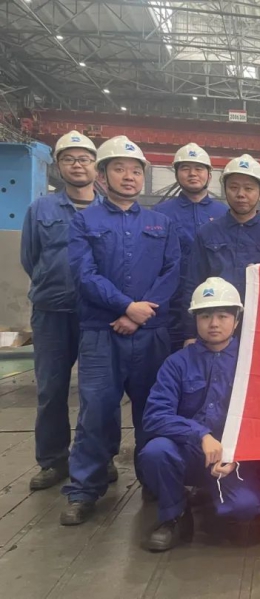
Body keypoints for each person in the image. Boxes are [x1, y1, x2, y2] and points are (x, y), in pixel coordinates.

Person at [62, 136, 180, 525]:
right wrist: (125, 306)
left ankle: (155, 479)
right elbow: (84, 274)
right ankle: (84, 489)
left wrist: (139, 314)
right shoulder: (85, 222)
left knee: (154, 410)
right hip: (101, 333)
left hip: (151, 334)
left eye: (135, 171)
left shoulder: (161, 223)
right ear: (102, 175)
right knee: (96, 411)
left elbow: (172, 273)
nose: (129, 177)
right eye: (119, 169)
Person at [140, 277, 260, 552]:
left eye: (223, 316)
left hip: (233, 459)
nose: (214, 324)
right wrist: (200, 435)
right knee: (155, 451)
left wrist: (236, 455)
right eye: (206, 316)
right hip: (189, 452)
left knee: (245, 507)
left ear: (237, 320)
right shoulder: (177, 363)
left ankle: (220, 492)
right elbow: (154, 415)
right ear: (195, 320)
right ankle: (174, 515)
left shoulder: (253, 362)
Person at [21, 130, 108, 491]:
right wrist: (53, 284)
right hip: (51, 312)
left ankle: (96, 459)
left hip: (95, 315)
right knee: (51, 389)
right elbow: (30, 257)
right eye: (69, 159)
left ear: (96, 167)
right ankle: (53, 460)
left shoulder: (107, 210)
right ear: (58, 166)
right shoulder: (40, 209)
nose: (77, 165)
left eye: (84, 159)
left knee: (97, 392)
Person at [185, 154, 260, 341]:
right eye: (234, 187)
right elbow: (191, 284)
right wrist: (189, 334)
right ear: (225, 190)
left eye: (249, 188)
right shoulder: (207, 234)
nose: (240, 194)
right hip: (215, 330)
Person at [152, 143, 227, 352]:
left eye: (199, 168)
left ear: (209, 175)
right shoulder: (160, 214)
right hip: (172, 306)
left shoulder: (225, 214)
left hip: (215, 304)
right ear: (176, 174)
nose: (193, 174)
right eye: (185, 168)